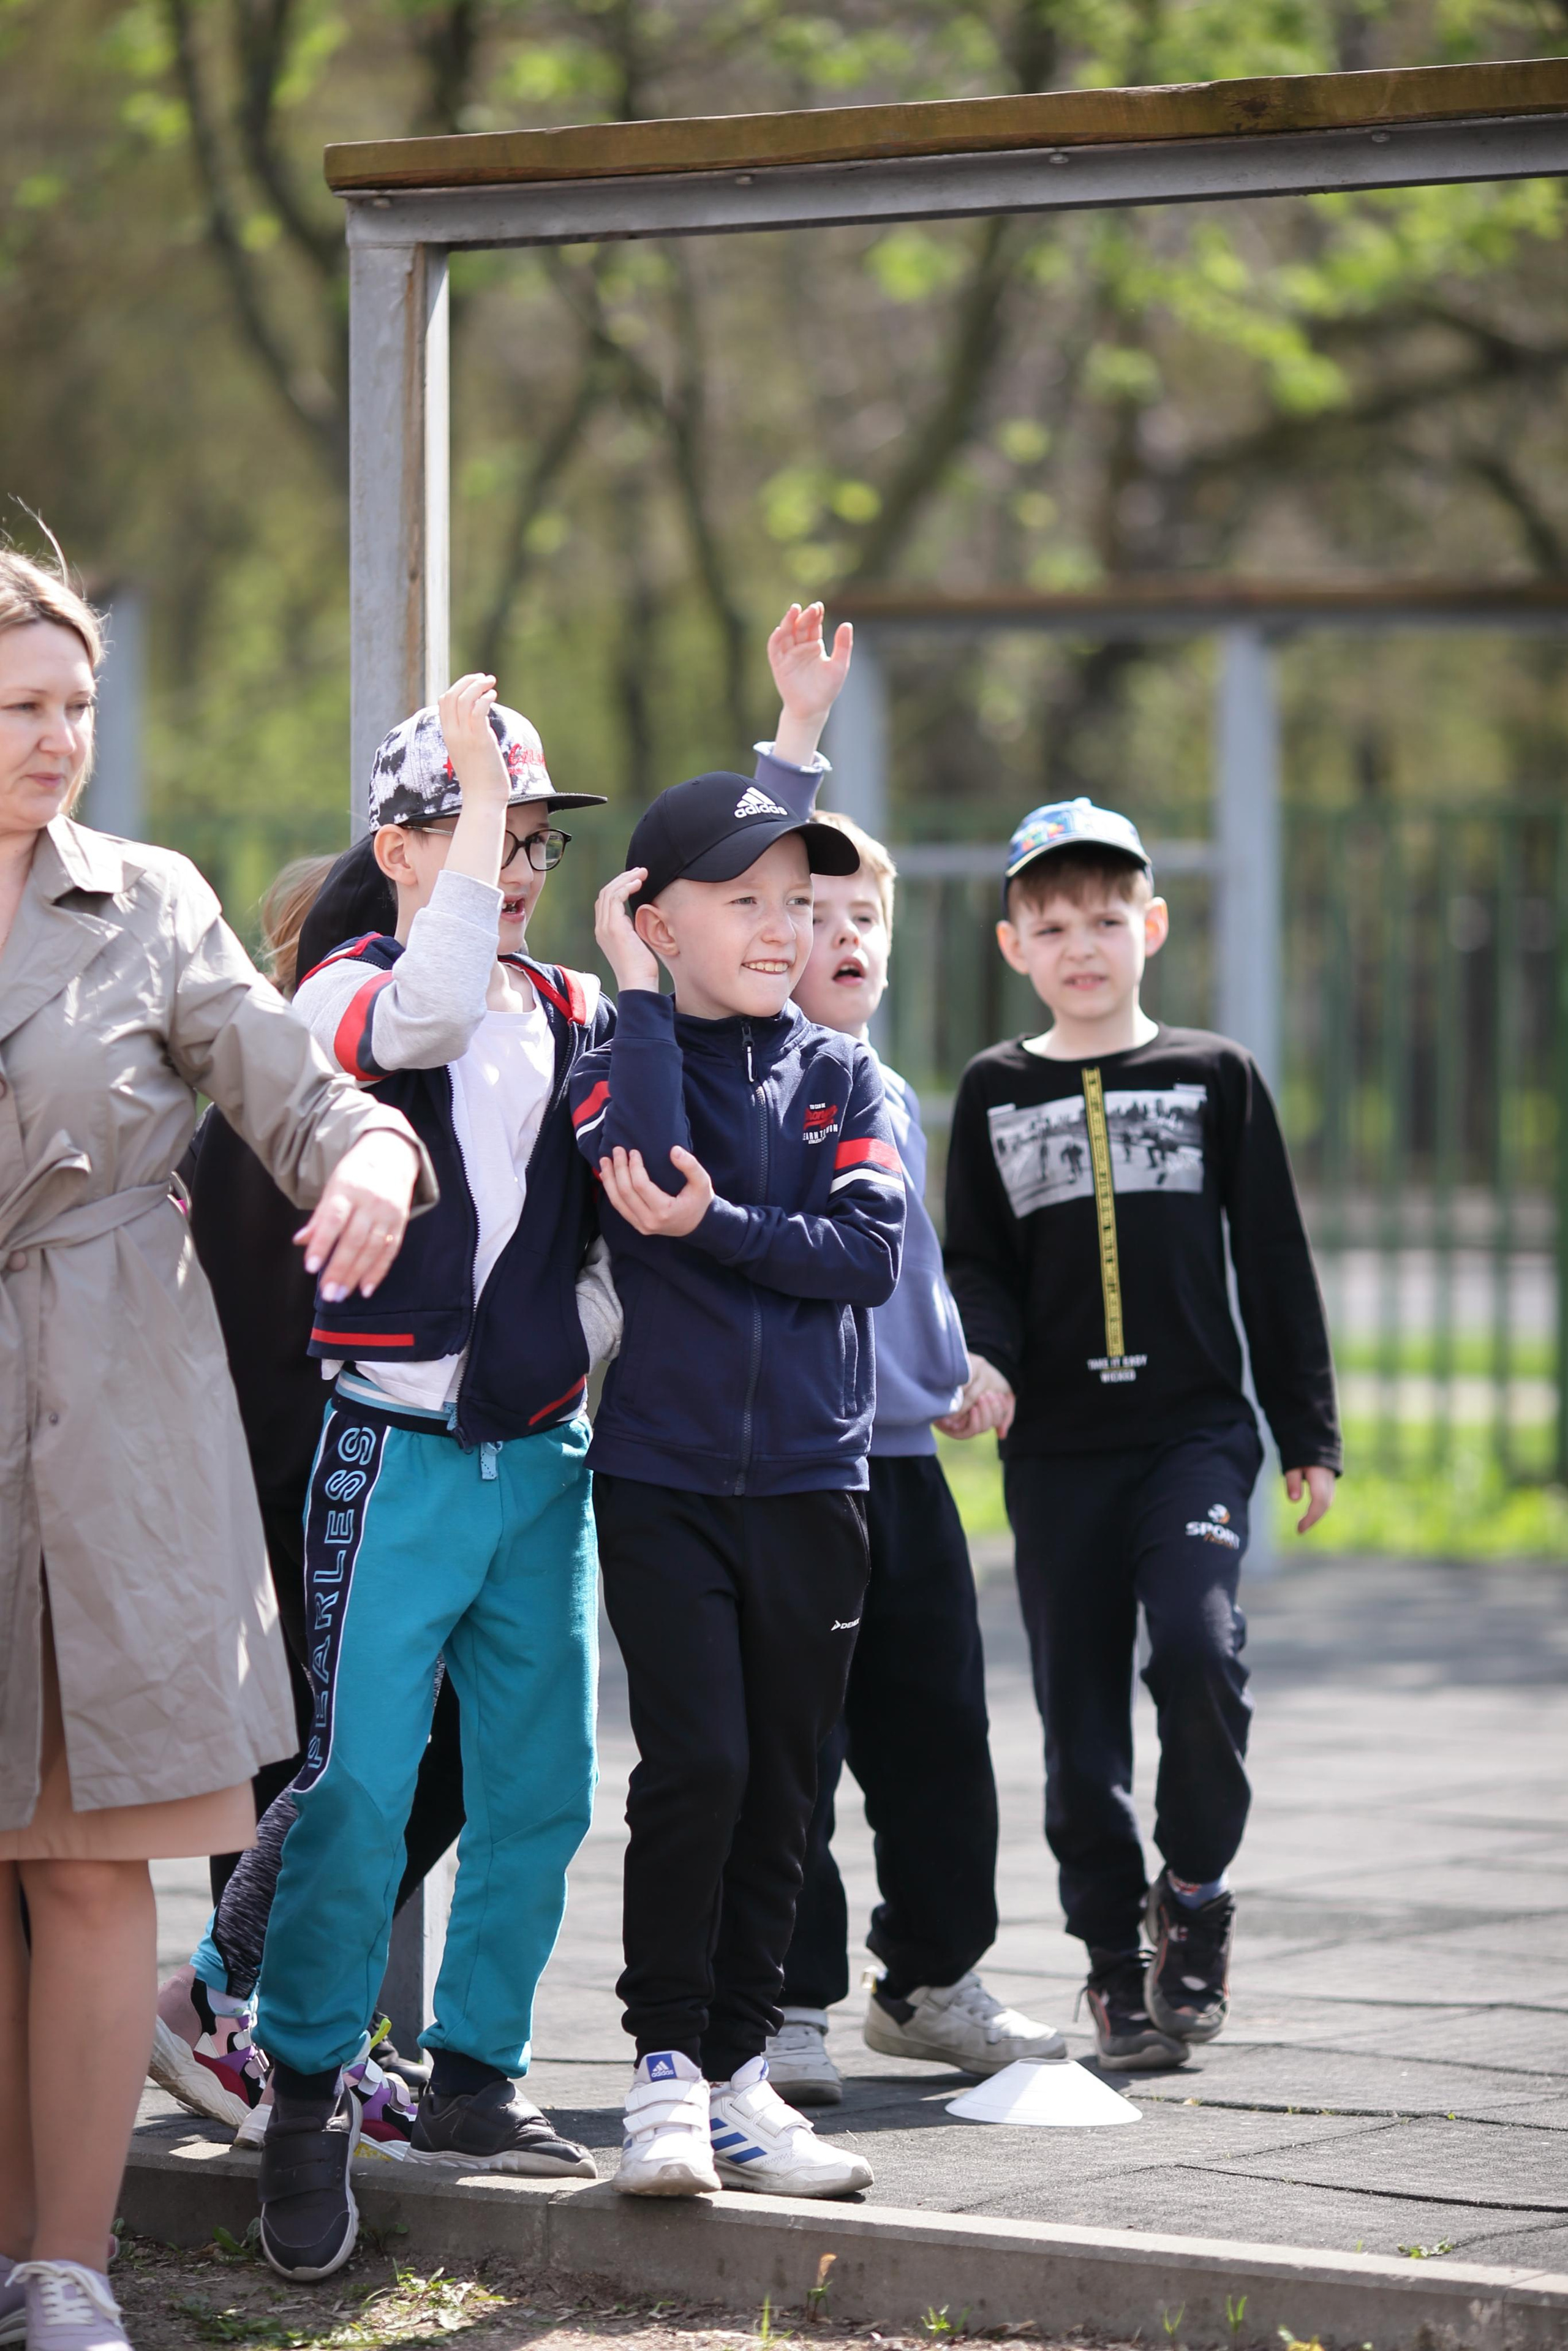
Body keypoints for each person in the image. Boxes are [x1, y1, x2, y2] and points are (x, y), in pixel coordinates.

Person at [0, 545, 427, 2351]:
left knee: (93, 1858)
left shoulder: (151, 899)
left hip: (109, 1422)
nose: (60, 736)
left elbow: (285, 1075)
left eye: (77, 702)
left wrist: (372, 1155)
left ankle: (68, 2266)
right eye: (23, 703)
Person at [251, 673, 619, 2282]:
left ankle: (477, 2071)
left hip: (539, 1459)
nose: (519, 862)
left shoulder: (573, 1009)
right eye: (489, 830)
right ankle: (309, 2088)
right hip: (390, 1454)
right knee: (356, 1789)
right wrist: (468, 821)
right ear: (403, 845)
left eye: (533, 836)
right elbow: (418, 1020)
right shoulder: (342, 987)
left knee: (544, 1780)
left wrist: (577, 1340)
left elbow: (605, 1227)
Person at [571, 603, 904, 2202]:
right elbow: (634, 1170)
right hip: (664, 1475)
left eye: (805, 897)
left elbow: (865, 1250)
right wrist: (637, 993)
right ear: (658, 921)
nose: (788, 925)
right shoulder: (615, 1042)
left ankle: (738, 2067)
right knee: (694, 1763)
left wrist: (725, 1230)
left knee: (785, 1777)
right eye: (749, 900)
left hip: (819, 1484)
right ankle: (659, 2076)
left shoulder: (838, 1072)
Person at [943, 798, 1341, 2071]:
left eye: (1105, 917)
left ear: (1148, 926)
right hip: (1056, 1451)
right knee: (1077, 1729)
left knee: (1197, 1647)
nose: (1080, 942)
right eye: (1050, 921)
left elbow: (1271, 1259)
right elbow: (978, 1264)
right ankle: (1114, 1965)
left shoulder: (1213, 1075)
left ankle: (1198, 1893)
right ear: (1012, 942)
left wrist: (1305, 1429)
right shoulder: (994, 1090)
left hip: (1192, 1435)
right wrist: (984, 1360)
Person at [149, 839, 466, 2140]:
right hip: (306, 1475)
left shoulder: (353, 1089)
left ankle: (279, 2021)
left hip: (336, 1471)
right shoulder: (290, 1097)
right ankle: (248, 2023)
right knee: (317, 1760)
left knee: (366, 1761)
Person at [763, 811, 1065, 2107]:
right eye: (810, 915)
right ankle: (783, 2001)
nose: (839, 937)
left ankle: (927, 1979)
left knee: (940, 1728)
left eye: (861, 919)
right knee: (796, 1745)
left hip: (899, 1457)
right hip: (788, 1466)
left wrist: (952, 1368)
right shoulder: (758, 1079)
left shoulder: (886, 1087)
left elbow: (909, 1271)